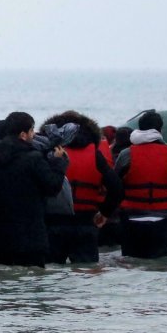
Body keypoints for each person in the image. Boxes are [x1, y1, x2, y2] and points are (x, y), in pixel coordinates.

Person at [0, 111, 68, 267]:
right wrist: (58, 164)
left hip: (0, 238)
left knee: (4, 284)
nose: (34, 134)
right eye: (32, 130)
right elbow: (52, 187)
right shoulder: (33, 158)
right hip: (31, 238)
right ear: (23, 134)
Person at [40, 111, 120, 264]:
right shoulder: (95, 155)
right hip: (86, 223)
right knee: (86, 273)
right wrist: (104, 212)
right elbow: (116, 188)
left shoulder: (49, 154)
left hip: (53, 224)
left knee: (52, 274)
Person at [114, 111, 167, 258]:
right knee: (161, 270)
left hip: (132, 222)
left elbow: (115, 186)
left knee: (131, 268)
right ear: (160, 130)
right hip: (162, 222)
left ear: (139, 129)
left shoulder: (126, 155)